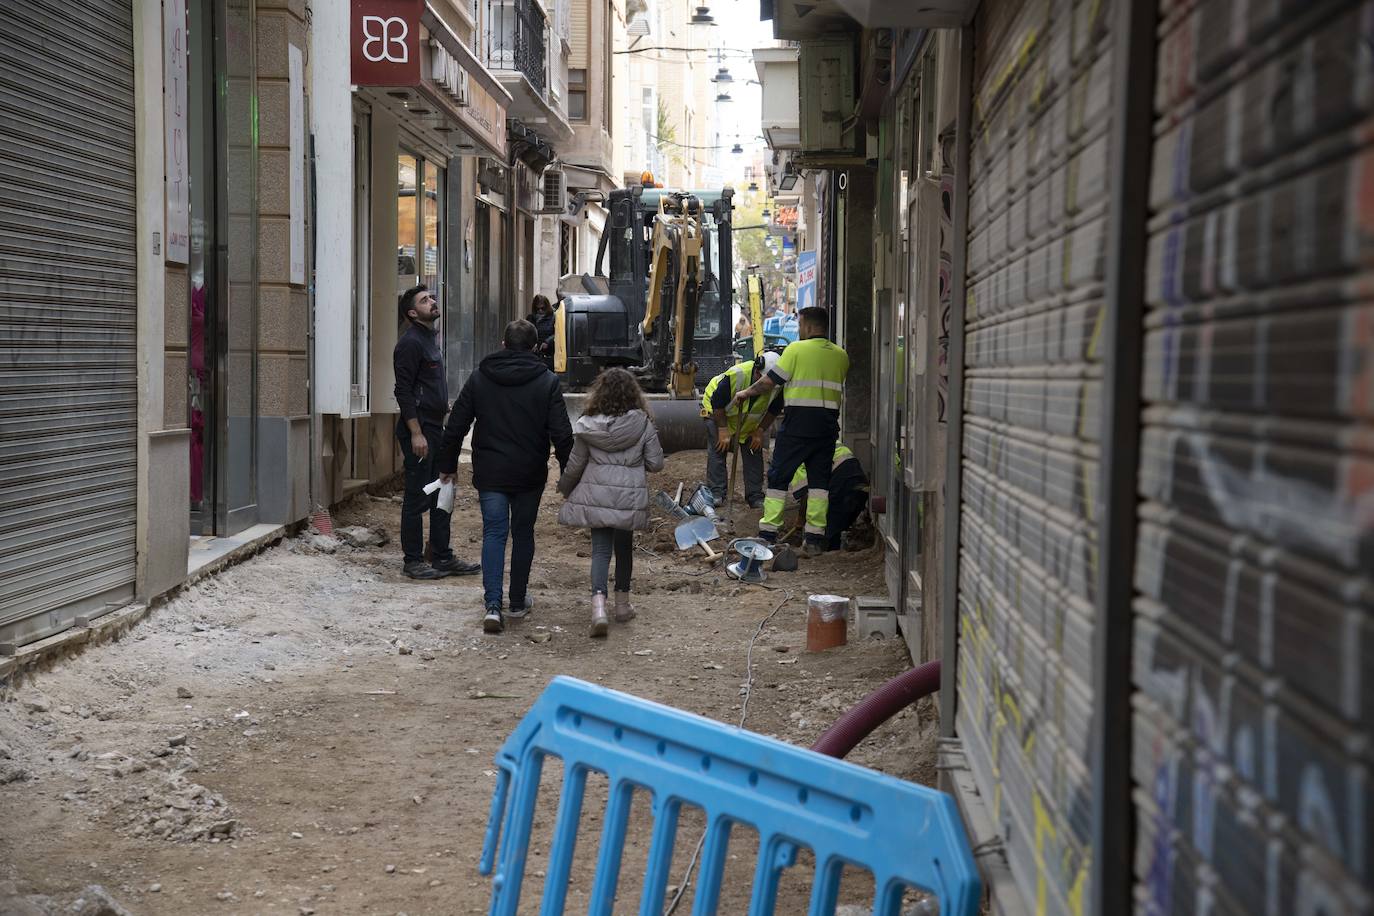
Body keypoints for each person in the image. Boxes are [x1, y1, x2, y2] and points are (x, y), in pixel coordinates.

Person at [437, 319, 574, 634]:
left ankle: (493, 606)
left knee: (494, 533)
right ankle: (516, 601)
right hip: (529, 472)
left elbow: (456, 424)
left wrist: (447, 465)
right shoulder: (547, 382)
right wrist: (570, 477)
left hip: (491, 472)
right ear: (536, 347)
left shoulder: (480, 378)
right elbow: (562, 435)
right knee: (523, 534)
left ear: (503, 344)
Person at [729, 305, 849, 557]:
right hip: (827, 428)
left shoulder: (795, 350)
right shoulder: (841, 355)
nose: (799, 329)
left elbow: (770, 382)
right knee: (819, 485)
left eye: (800, 324)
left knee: (778, 478)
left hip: (797, 426)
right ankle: (814, 539)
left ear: (807, 326)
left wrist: (745, 392)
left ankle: (768, 535)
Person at [556, 368, 665, 637]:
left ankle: (598, 610)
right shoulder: (643, 425)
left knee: (600, 551)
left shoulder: (588, 424)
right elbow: (656, 464)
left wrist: (565, 488)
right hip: (628, 496)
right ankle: (622, 606)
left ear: (600, 394)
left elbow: (575, 465)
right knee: (624, 549)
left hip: (597, 496)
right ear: (633, 395)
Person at [393, 285, 480, 580]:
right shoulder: (410, 343)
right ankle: (413, 560)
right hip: (420, 429)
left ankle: (441, 555)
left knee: (444, 489)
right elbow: (403, 391)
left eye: (432, 297)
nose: (432, 301)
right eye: (425, 300)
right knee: (417, 497)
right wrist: (415, 433)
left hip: (435, 426)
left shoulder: (430, 340)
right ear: (412, 313)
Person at [700, 351, 782, 508]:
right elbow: (717, 401)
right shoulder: (737, 375)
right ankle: (717, 492)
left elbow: (774, 410)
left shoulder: (777, 384)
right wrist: (723, 429)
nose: (768, 387)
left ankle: (755, 495)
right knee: (719, 449)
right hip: (717, 412)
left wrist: (760, 431)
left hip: (746, 421)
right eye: (763, 380)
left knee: (753, 450)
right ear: (757, 371)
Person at [787, 443, 868, 550]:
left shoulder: (796, 463)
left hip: (841, 485)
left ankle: (830, 550)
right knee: (841, 522)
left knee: (829, 530)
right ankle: (837, 547)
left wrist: (801, 518)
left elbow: (807, 495)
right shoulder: (817, 440)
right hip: (859, 481)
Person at [526, 294, 557, 369]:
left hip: (549, 354)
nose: (540, 311)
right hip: (534, 354)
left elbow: (558, 333)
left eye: (543, 308)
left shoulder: (554, 317)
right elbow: (526, 333)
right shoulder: (531, 318)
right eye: (537, 309)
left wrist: (548, 342)